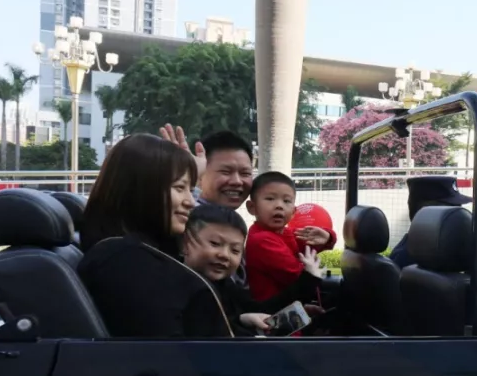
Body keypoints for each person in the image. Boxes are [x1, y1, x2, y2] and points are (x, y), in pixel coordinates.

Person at [78, 134, 234, 337]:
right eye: (180, 188)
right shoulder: (126, 263)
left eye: (191, 189)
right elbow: (166, 350)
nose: (191, 202)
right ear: (142, 188)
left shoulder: (142, 251)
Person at [182, 204, 325, 336]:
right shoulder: (181, 289)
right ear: (185, 242)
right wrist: (241, 322)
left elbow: (258, 309)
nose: (225, 255)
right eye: (215, 244)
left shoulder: (224, 284)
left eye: (235, 250)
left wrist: (305, 290)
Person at [160, 125, 255, 285]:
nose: (237, 181)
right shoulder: (182, 219)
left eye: (245, 173)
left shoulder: (233, 221)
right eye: (226, 172)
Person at [245, 171, 337, 302]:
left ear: (293, 212)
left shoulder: (285, 233)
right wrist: (312, 270)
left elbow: (309, 245)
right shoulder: (262, 240)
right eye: (270, 199)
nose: (279, 206)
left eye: (286, 201)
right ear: (252, 207)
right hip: (274, 311)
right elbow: (298, 276)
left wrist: (327, 237)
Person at [389, 176, 472, 268]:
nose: (459, 217)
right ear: (429, 215)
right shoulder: (405, 260)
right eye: (452, 211)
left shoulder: (447, 252)